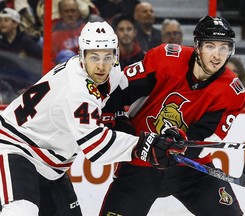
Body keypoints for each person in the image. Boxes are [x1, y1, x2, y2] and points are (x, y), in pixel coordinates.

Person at [0, 21, 186, 215]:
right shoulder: (77, 90)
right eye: (94, 57)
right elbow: (95, 146)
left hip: (51, 165)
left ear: (115, 55)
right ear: (82, 56)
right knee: (21, 211)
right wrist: (143, 146)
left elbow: (120, 96)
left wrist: (120, 117)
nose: (101, 65)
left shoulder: (113, 72)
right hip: (15, 146)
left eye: (107, 57)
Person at [100, 16, 245, 216]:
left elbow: (203, 138)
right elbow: (119, 90)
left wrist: (180, 146)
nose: (217, 55)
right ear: (197, 46)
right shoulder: (165, 58)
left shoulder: (232, 91)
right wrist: (116, 121)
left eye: (224, 48)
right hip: (141, 161)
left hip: (190, 170)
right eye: (210, 46)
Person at [51, 0, 85, 65]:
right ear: (61, 13)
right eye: (66, 11)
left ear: (78, 13)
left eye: (73, 11)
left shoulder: (87, 30)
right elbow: (51, 62)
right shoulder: (54, 37)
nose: (70, 14)